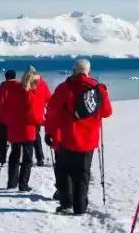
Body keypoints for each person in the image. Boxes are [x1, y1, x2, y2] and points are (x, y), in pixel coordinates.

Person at [45, 58, 112, 215]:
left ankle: (66, 203)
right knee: (82, 173)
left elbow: (51, 113)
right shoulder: (98, 88)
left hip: (64, 139)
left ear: (74, 70)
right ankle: (80, 207)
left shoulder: (63, 88)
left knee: (64, 172)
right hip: (88, 140)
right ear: (88, 71)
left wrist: (48, 132)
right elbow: (107, 112)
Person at [4, 68, 44, 191]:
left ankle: (12, 182)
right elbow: (33, 115)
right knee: (27, 158)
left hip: (14, 128)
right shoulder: (31, 94)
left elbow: (7, 107)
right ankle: (23, 184)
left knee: (14, 155)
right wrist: (42, 122)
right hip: (27, 130)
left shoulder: (14, 91)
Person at [0, 70, 21, 164]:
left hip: (4, 118)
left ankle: (2, 157)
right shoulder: (20, 86)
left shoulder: (3, 87)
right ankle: (16, 158)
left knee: (3, 139)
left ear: (6, 77)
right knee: (16, 139)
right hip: (17, 118)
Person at [30, 72, 53, 167]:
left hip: (28, 115)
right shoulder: (43, 84)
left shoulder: (28, 84)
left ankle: (31, 158)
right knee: (36, 136)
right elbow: (49, 99)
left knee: (30, 138)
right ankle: (40, 158)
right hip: (39, 115)